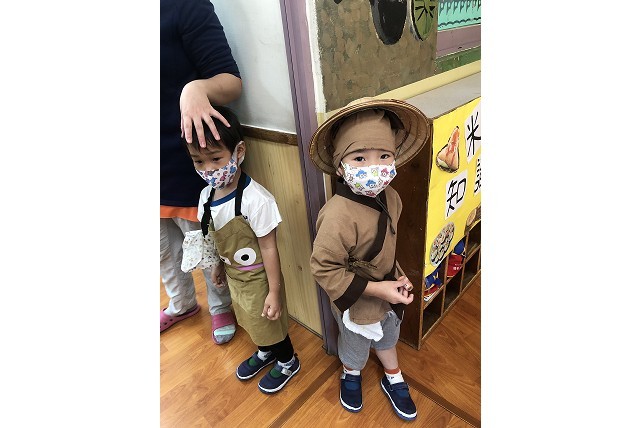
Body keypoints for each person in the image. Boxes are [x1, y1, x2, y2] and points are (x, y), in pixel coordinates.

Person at [308, 98, 429, 421]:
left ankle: (393, 375)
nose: (373, 167)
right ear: (340, 166)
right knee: (355, 345)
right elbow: (322, 267)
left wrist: (398, 277)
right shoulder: (336, 215)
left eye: (383, 156)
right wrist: (377, 289)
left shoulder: (392, 197)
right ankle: (351, 373)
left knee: (388, 335)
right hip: (356, 300)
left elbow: (387, 244)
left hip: (388, 292)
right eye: (359, 158)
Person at [184, 106, 300, 394]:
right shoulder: (206, 196)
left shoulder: (256, 200)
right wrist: (218, 265)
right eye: (198, 161)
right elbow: (214, 237)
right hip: (235, 276)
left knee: (270, 322)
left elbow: (269, 247)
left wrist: (274, 292)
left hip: (260, 278)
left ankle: (288, 359)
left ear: (238, 152)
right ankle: (266, 351)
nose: (208, 169)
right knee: (250, 319)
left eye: (215, 158)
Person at [160, 0, 242, 344]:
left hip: (189, 160)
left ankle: (220, 305)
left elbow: (230, 81)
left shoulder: (183, 5)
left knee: (205, 243)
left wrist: (197, 88)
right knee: (163, 250)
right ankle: (181, 303)